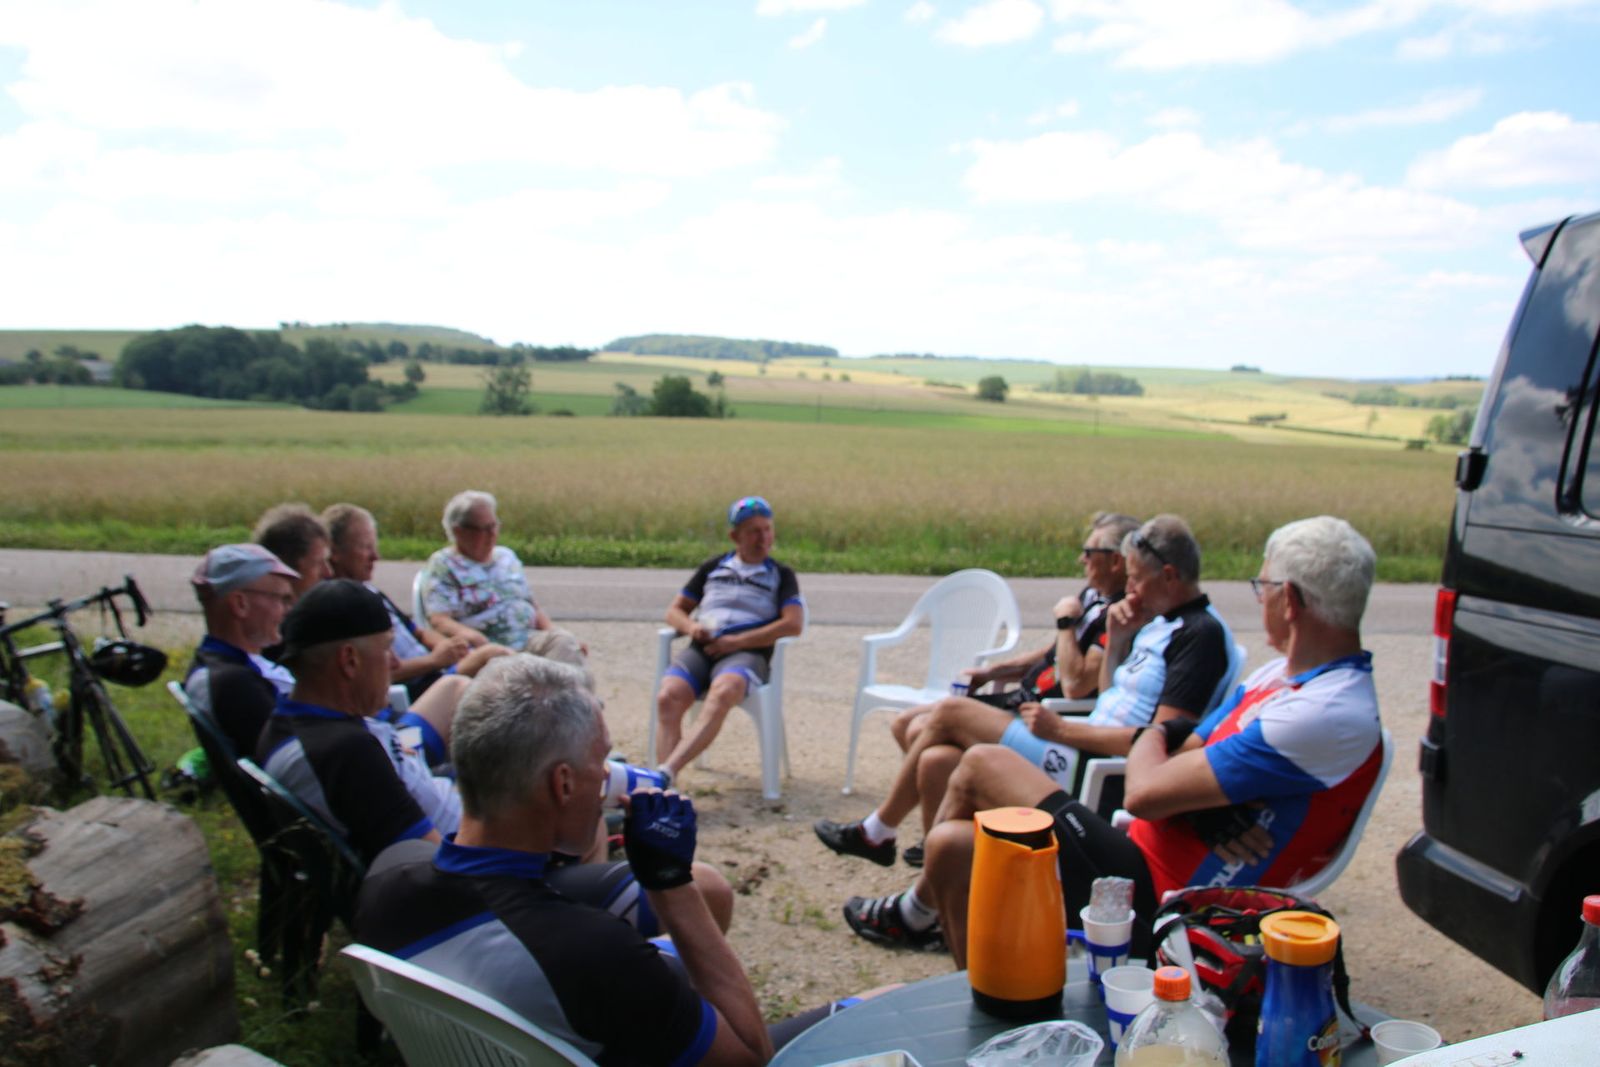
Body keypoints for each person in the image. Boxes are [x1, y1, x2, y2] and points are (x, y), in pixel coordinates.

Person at [840, 516, 1383, 961]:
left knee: (980, 762)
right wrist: (1184, 783)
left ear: (1289, 600)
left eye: (1262, 588)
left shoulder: (1324, 711)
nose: (1258, 599)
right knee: (949, 844)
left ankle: (911, 907)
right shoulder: (1280, 677)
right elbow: (1188, 745)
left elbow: (1149, 784)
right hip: (1136, 846)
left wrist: (1157, 745)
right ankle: (977, 989)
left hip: (1160, 896)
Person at [355, 652, 864, 1064]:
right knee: (883, 1001)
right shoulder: (595, 954)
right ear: (563, 783)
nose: (609, 778)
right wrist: (672, 884)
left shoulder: (385, 882)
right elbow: (752, 1058)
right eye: (602, 761)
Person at [817, 514, 1235, 873]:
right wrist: (1118, 641)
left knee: (949, 713)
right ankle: (946, 883)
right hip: (1081, 743)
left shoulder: (1200, 636)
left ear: (1168, 576)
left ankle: (878, 833)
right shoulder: (1158, 622)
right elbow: (1111, 701)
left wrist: (1062, 731)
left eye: (1137, 579)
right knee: (936, 759)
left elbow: (1162, 742)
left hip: (1098, 768)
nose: (1131, 590)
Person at [878, 512, 1139, 865]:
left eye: (1089, 552)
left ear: (1116, 561)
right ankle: (942, 843)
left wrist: (1065, 622)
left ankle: (905, 836)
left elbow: (1076, 684)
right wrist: (996, 670)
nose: (1082, 559)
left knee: (928, 735)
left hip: (1043, 714)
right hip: (1023, 699)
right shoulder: (1092, 596)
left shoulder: (1120, 614)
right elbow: (1054, 653)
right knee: (905, 724)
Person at [257, 579, 462, 862]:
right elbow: (440, 866)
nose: (395, 664)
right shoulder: (347, 753)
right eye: (387, 649)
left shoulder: (284, 725)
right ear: (349, 660)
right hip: (474, 850)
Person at [653, 496, 805, 784]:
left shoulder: (781, 575)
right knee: (668, 696)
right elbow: (674, 611)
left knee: (724, 691)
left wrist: (737, 642)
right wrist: (692, 628)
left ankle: (666, 773)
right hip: (703, 648)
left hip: (747, 652)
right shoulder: (713, 567)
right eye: (754, 531)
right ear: (735, 536)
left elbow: (793, 624)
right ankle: (665, 792)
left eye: (768, 529)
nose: (763, 538)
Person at [322, 502, 512, 702]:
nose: (375, 556)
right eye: (365, 547)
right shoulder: (342, 606)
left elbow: (418, 632)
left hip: (436, 671)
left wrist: (450, 647)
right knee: (494, 657)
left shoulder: (370, 591)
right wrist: (435, 660)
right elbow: (380, 672)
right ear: (334, 552)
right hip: (419, 689)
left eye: (374, 546)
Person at [184, 543, 299, 757]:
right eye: (281, 599)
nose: (287, 610)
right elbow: (292, 756)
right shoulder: (235, 685)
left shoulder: (214, 664)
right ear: (240, 604)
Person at [421, 490, 572, 653]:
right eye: (484, 528)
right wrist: (474, 637)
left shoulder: (506, 557)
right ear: (459, 531)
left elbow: (531, 605)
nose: (492, 534)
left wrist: (555, 632)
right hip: (487, 648)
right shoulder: (444, 564)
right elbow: (439, 620)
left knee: (564, 643)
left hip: (527, 638)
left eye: (494, 526)